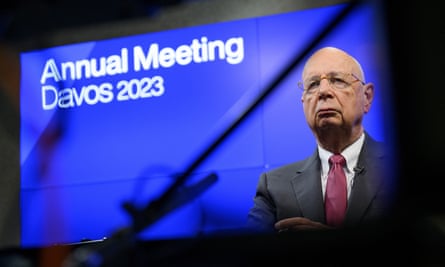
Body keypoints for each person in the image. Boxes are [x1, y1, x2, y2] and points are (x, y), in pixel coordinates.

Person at [247, 46, 396, 233]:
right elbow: (249, 255)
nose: (323, 91)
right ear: (303, 102)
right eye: (313, 84)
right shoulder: (273, 187)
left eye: (338, 80)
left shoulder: (402, 167)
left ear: (366, 97)